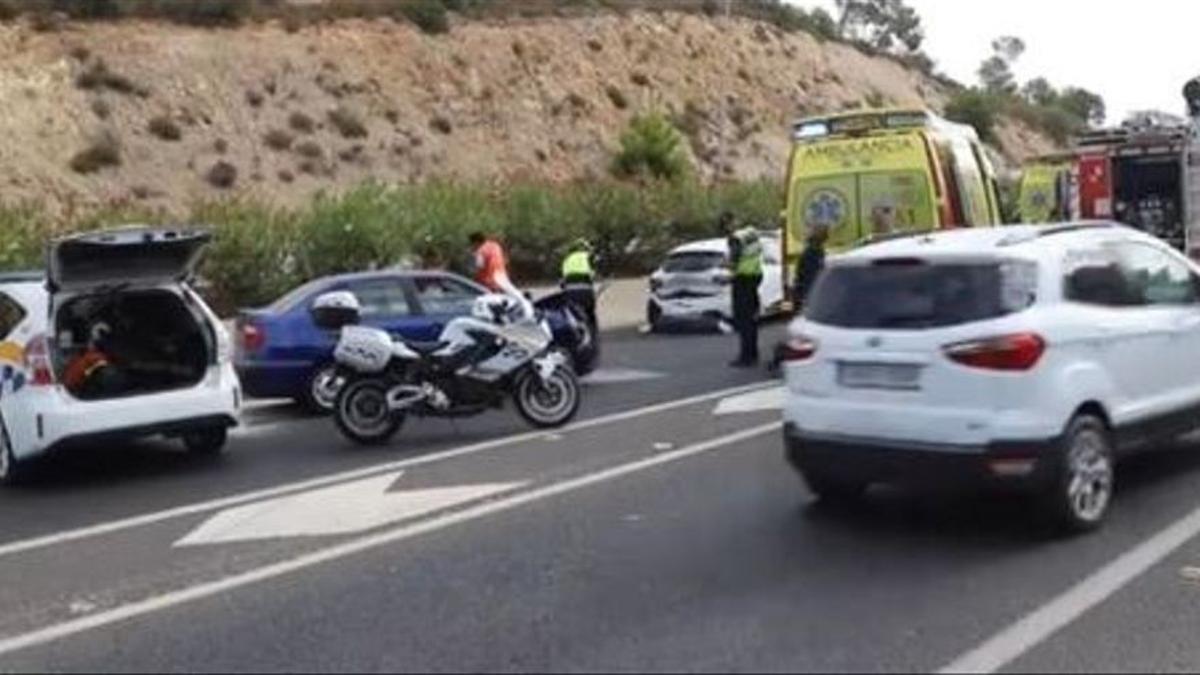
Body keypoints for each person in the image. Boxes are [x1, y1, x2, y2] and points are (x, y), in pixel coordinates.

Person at [723, 213, 764, 368]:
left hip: (742, 280)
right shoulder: (751, 233)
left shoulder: (735, 239)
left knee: (743, 321)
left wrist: (727, 267)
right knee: (752, 320)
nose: (726, 229)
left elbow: (734, 261)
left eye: (726, 225)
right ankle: (753, 354)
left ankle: (745, 357)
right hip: (755, 277)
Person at [560, 238, 597, 329]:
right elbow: (592, 275)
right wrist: (586, 243)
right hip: (586, 290)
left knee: (573, 313)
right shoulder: (587, 256)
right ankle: (593, 333)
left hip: (570, 291)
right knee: (590, 313)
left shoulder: (566, 260)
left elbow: (563, 280)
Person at [793, 222, 830, 308]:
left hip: (812, 289)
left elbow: (800, 271)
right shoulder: (814, 252)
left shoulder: (812, 251)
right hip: (814, 289)